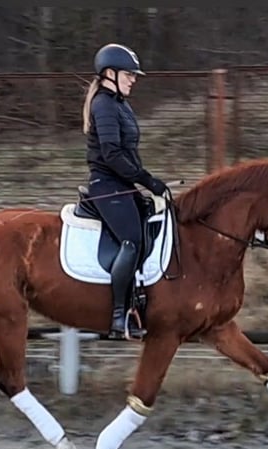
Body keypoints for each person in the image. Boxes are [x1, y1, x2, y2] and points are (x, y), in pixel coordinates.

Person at [81, 42, 169, 341]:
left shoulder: (120, 104)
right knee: (131, 239)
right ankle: (119, 315)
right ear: (109, 74)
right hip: (106, 185)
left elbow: (129, 152)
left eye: (134, 75)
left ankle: (142, 298)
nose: (133, 79)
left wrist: (148, 182)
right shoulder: (103, 105)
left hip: (123, 184)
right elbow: (112, 154)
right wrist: (147, 179)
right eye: (129, 74)